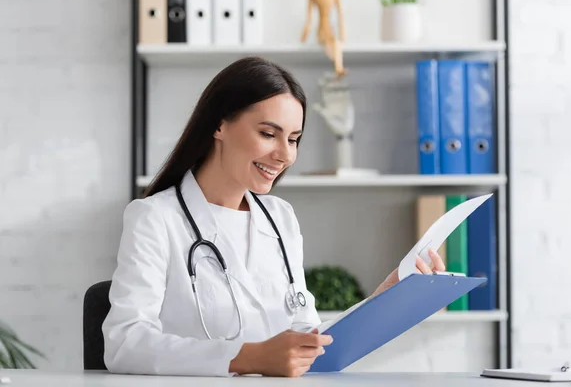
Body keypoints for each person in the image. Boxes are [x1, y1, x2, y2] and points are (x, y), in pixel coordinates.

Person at [102, 57, 446, 378]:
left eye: (293, 139)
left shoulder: (280, 218)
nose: (285, 155)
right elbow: (124, 344)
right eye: (268, 134)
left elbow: (308, 341)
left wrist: (382, 301)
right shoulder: (155, 218)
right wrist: (248, 357)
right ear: (220, 124)